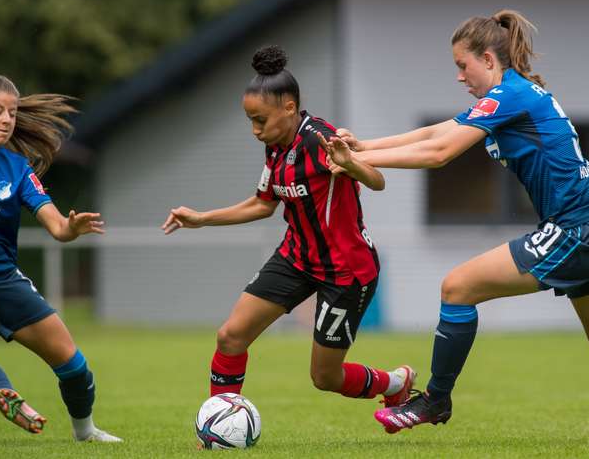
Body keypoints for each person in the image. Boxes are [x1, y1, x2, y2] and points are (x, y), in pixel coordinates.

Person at [329, 10, 589, 439]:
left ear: (487, 58)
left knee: (457, 287)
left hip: (580, 225)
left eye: (462, 66)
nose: (459, 76)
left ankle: (435, 400)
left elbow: (438, 154)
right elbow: (438, 132)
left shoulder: (509, 97)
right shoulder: (510, 96)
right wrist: (365, 146)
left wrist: (356, 162)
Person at [161, 46, 416, 411]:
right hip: (296, 258)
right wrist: (202, 218)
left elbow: (377, 181)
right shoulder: (276, 146)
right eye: (250, 119)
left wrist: (351, 164)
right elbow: (263, 204)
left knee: (324, 377)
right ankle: (218, 422)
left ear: (289, 108)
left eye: (260, 120)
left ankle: (395, 382)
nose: (254, 130)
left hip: (346, 270)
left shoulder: (321, 140)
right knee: (231, 337)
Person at [0, 75, 121, 442]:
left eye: (12, 113)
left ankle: (86, 431)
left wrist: (72, 227)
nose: (7, 119)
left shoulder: (16, 170)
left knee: (74, 365)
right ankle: (3, 393)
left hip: (2, 280)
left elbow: (58, 229)